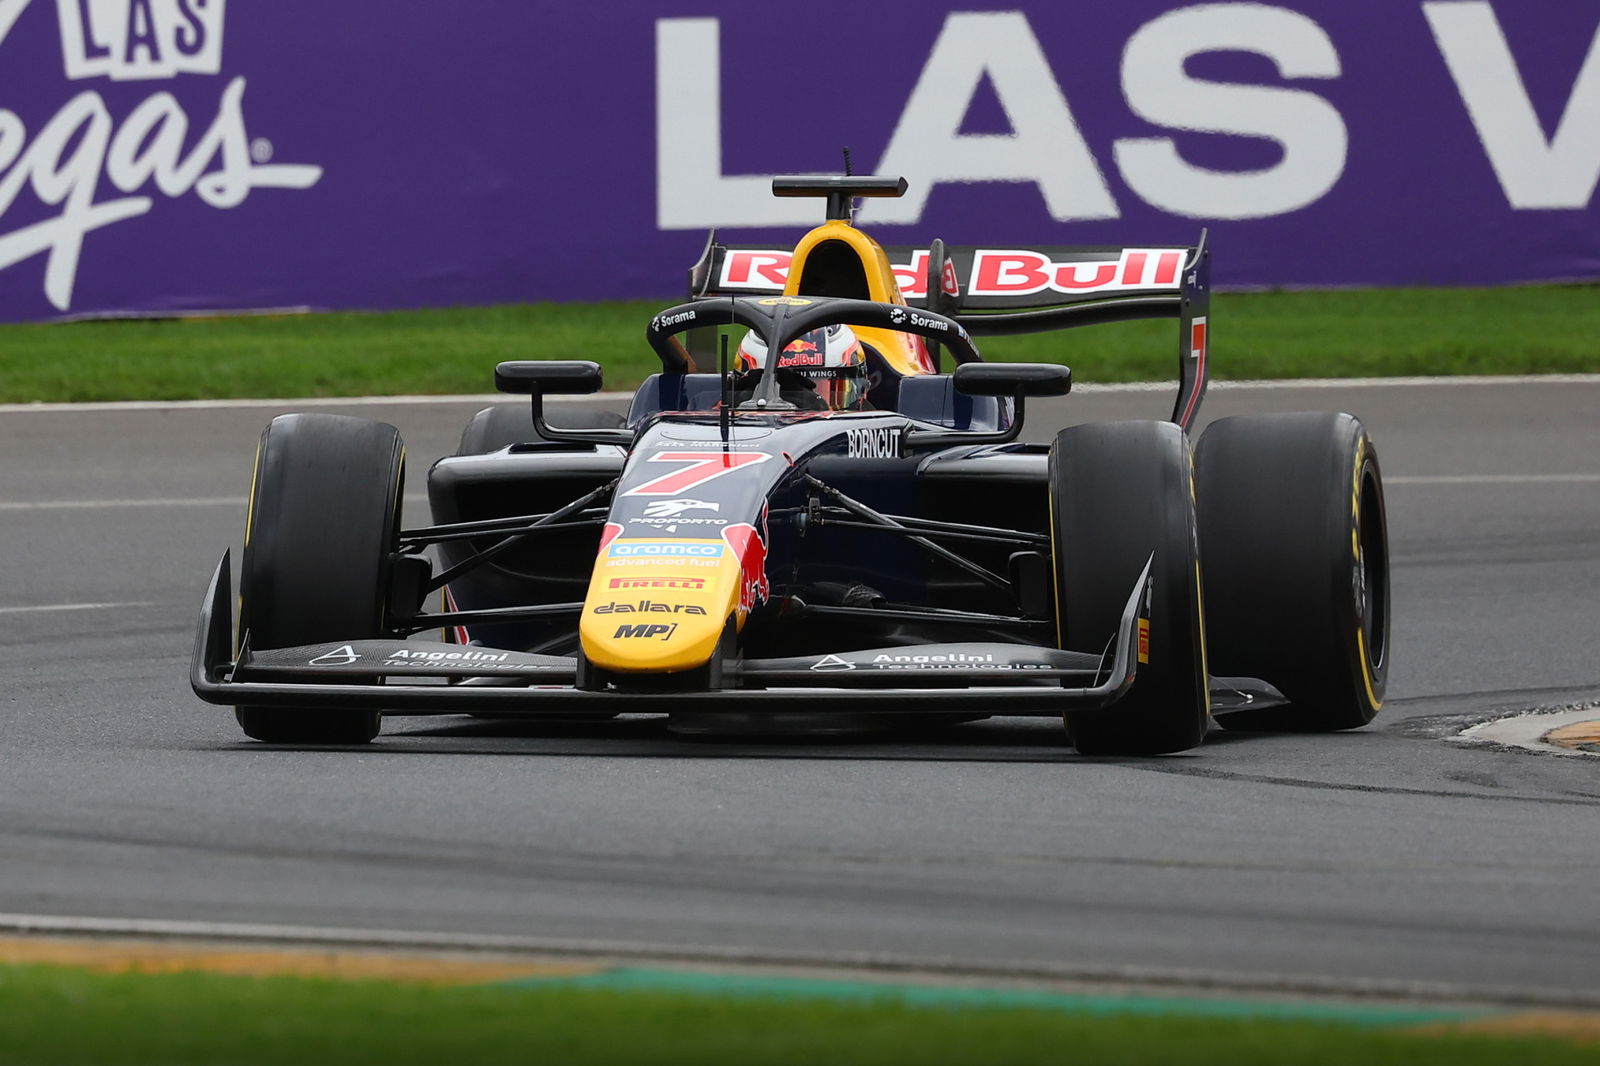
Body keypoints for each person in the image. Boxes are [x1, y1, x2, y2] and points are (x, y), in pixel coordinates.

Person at [731, 324, 871, 411]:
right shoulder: (721, 423)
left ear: (861, 388)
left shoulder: (877, 435)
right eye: (785, 394)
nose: (796, 408)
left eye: (826, 391)